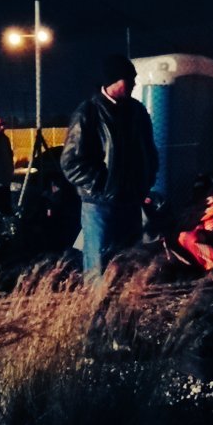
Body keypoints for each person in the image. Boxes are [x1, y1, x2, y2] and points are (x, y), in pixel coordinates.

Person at [60, 54, 158, 277]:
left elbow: (150, 152)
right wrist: (103, 187)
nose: (134, 83)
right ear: (113, 80)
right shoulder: (88, 113)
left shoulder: (138, 112)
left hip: (131, 202)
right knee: (99, 268)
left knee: (129, 265)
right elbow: (70, 162)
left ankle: (124, 301)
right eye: (129, 79)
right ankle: (97, 301)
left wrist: (145, 181)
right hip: (100, 206)